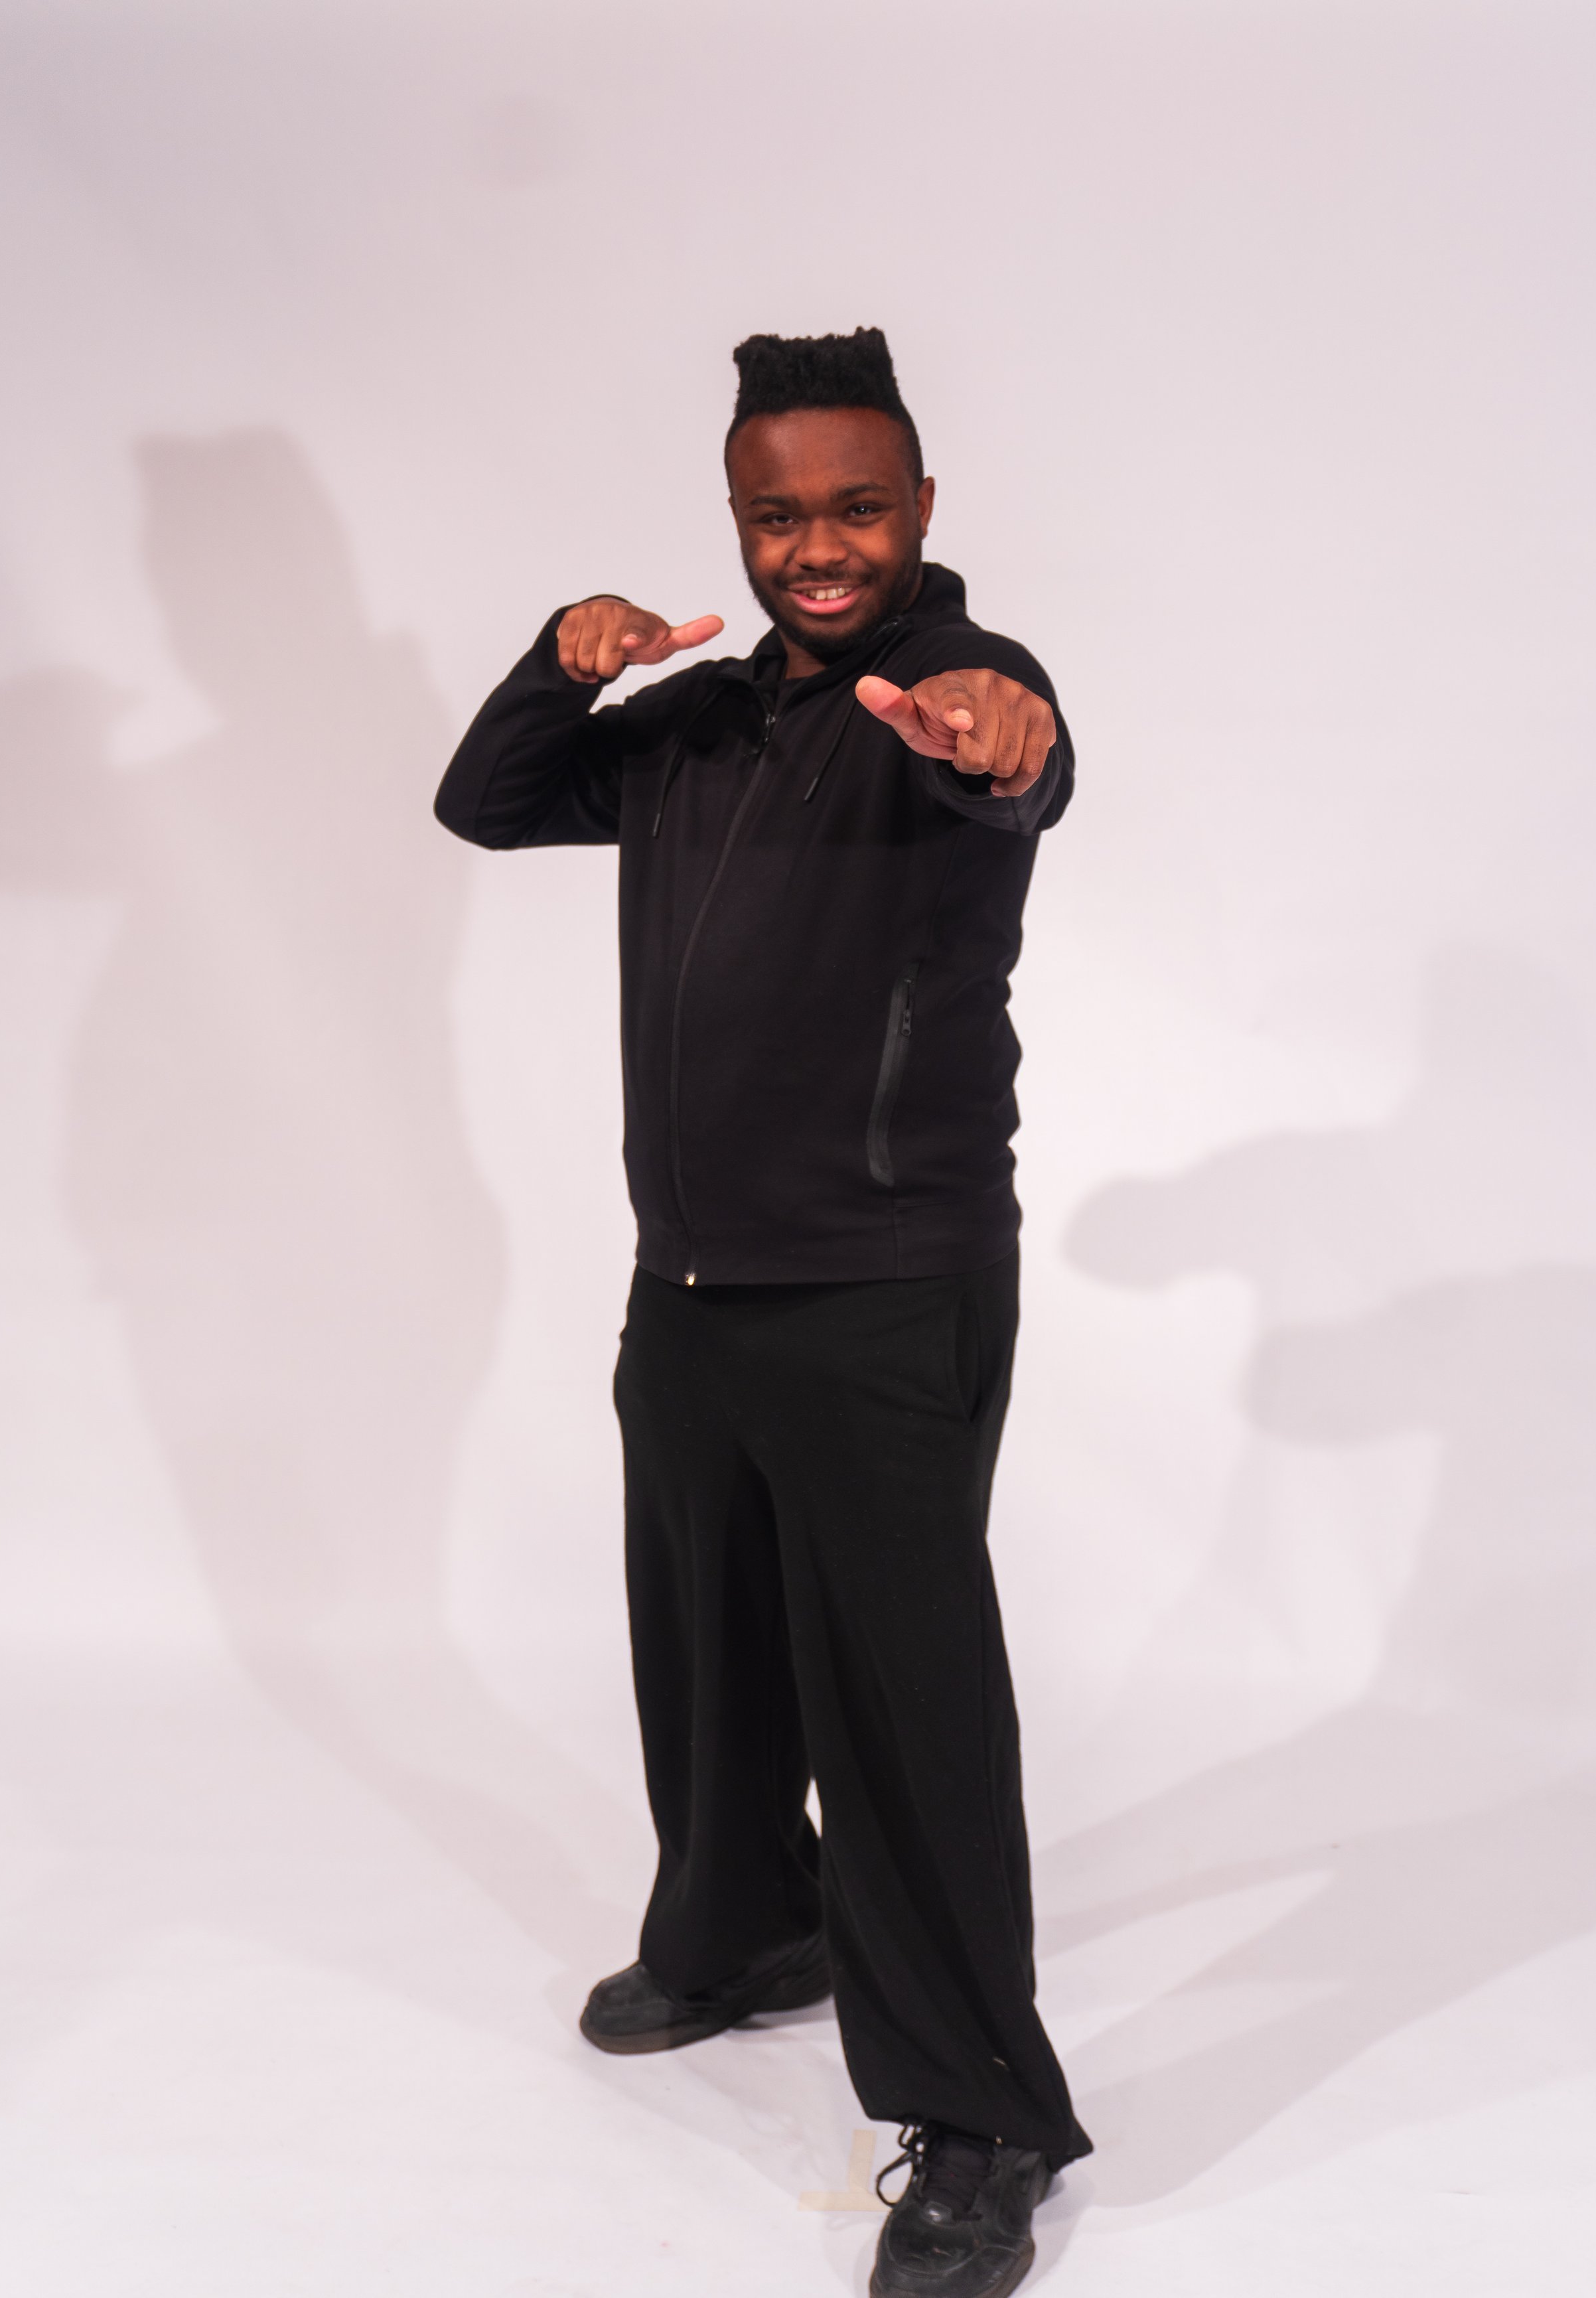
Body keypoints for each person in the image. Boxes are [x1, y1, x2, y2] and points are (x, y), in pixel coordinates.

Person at [435, 327, 1090, 2298]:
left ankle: (978, 2120)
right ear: (739, 518)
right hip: (693, 1284)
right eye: (777, 513)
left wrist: (994, 733)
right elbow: (487, 802)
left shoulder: (960, 693)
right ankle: (742, 1929)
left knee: (905, 1713)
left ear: (920, 512)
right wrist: (570, 653)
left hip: (886, 1287)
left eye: (856, 507)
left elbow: (1018, 759)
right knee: (705, 1646)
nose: (818, 545)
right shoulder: (700, 728)